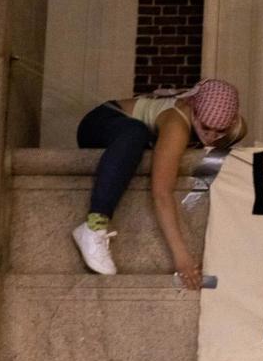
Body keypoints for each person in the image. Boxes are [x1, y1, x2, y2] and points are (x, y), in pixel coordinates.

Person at [72, 79, 243, 289]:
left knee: (138, 135)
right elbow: (161, 192)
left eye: (220, 132)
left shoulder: (234, 127)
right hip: (101, 122)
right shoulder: (177, 126)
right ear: (193, 110)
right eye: (206, 128)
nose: (211, 136)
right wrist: (182, 258)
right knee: (136, 132)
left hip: (128, 134)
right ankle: (93, 225)